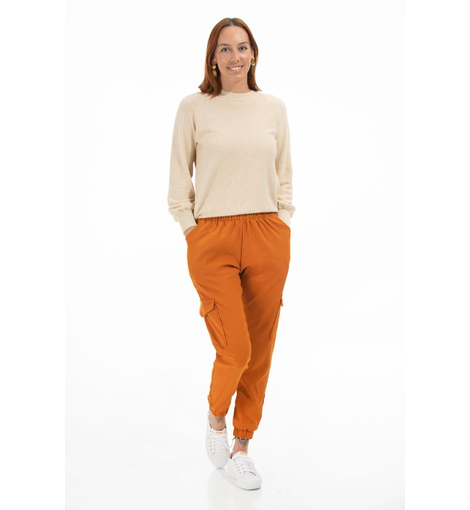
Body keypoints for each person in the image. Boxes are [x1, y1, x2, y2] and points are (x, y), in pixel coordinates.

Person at [167, 17, 295, 491]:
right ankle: (216, 416)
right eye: (225, 48)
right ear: (213, 58)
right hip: (212, 236)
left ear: (254, 54)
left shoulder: (273, 108)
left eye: (243, 47)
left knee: (259, 349)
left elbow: (285, 175)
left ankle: (242, 446)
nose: (235, 56)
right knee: (235, 347)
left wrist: (282, 220)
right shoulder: (194, 107)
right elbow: (178, 179)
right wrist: (191, 229)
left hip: (266, 232)